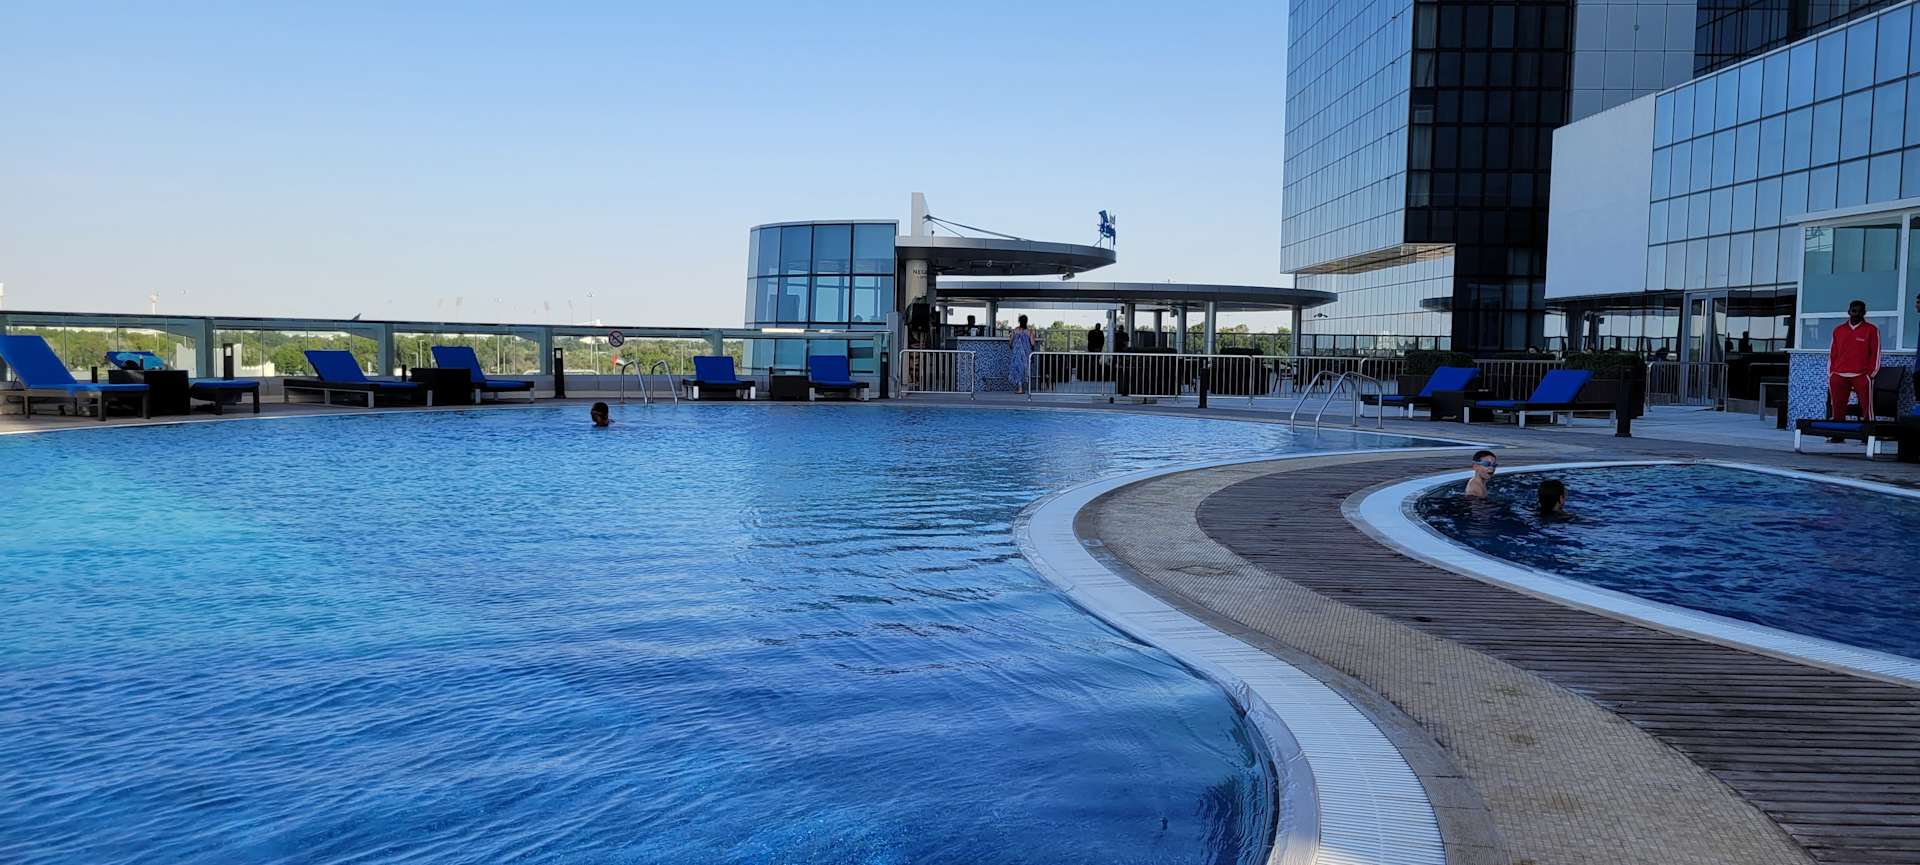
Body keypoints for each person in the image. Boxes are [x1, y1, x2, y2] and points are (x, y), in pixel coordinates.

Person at [1827, 300, 1881, 439]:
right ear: (1849, 312)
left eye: (1859, 311)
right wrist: (1831, 373)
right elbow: (1833, 353)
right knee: (1837, 406)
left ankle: (1868, 436)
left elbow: (1875, 353)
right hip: (1839, 374)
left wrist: (1871, 374)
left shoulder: (1872, 330)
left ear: (1864, 313)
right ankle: (1837, 435)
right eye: (1854, 311)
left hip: (1861, 375)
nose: (1856, 313)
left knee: (1866, 407)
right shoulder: (1838, 330)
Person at [1009, 314, 1036, 394]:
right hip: (1026, 354)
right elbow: (1033, 343)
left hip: (1016, 353)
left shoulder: (1015, 330)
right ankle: (1021, 388)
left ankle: (1020, 388)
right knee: (1024, 369)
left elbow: (1010, 342)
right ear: (1026, 321)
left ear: (1019, 321)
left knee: (1017, 369)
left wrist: (1013, 347)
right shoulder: (1029, 332)